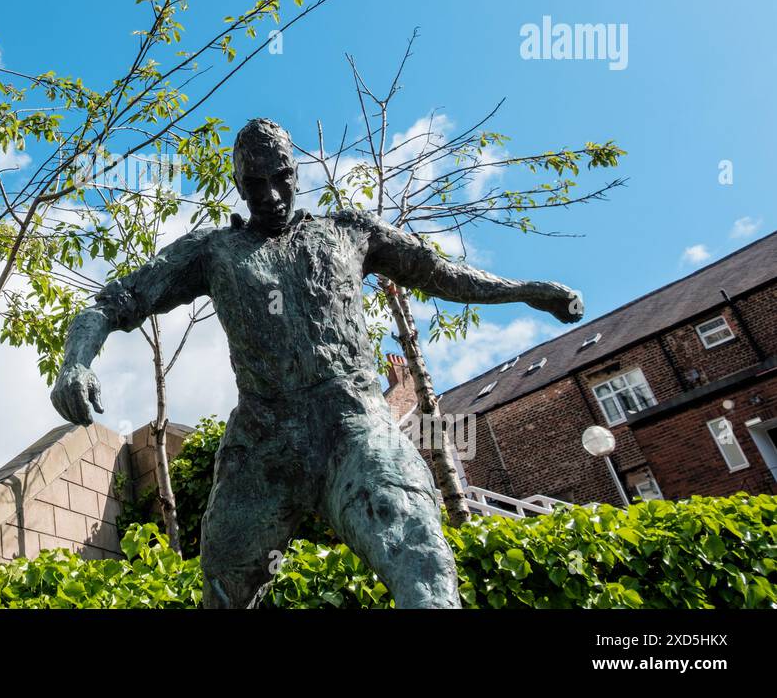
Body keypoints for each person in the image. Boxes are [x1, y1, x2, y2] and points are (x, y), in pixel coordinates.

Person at [51, 118, 582, 608]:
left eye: (280, 178)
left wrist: (525, 290)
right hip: (264, 439)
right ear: (237, 185)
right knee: (224, 588)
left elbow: (440, 273)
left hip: (354, 423)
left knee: (418, 555)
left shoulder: (349, 232)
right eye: (255, 185)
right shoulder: (212, 252)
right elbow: (112, 303)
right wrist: (76, 361)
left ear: (296, 172)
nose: (272, 196)